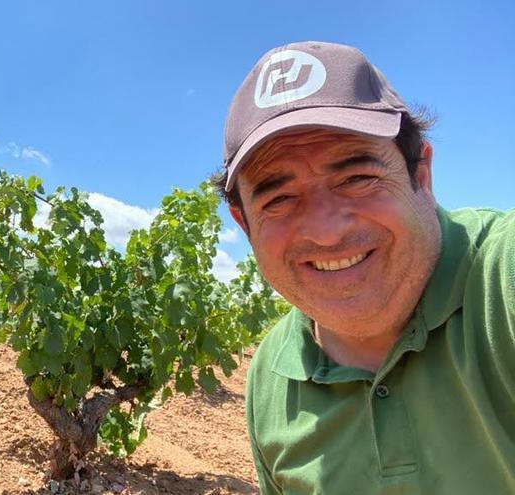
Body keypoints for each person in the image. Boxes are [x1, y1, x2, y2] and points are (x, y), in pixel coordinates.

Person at [213, 41, 514, 494]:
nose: (327, 231)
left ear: (421, 175)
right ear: (246, 224)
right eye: (279, 199)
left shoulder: (502, 280)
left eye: (357, 178)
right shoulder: (271, 378)